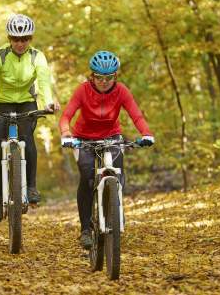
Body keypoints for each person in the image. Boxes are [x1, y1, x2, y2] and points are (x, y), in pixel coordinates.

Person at [0, 14, 60, 222]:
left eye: (24, 39)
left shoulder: (37, 57)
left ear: (30, 39)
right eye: (16, 39)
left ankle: (32, 186)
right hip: (1, 103)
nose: (20, 43)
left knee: (28, 141)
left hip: (27, 103)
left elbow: (44, 82)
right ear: (9, 39)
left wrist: (48, 103)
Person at [59, 50, 154, 249]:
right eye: (99, 77)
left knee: (117, 171)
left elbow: (136, 115)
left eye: (109, 77)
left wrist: (146, 134)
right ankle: (86, 229)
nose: (104, 82)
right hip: (82, 139)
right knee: (87, 177)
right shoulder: (82, 90)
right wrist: (66, 134)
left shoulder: (122, 91)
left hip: (111, 136)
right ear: (91, 76)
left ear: (115, 76)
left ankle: (115, 207)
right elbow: (66, 116)